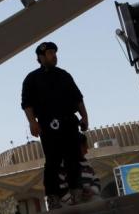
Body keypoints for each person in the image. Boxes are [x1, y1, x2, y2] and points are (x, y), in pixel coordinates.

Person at [21, 41, 89, 210]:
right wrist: (32, 122)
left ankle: (76, 193)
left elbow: (78, 97)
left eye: (54, 52)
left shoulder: (64, 75)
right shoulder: (32, 79)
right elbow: (27, 104)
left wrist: (84, 116)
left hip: (69, 122)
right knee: (53, 162)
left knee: (73, 159)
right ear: (41, 57)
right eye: (50, 53)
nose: (54, 55)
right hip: (48, 125)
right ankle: (53, 198)